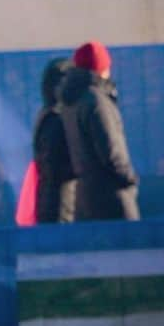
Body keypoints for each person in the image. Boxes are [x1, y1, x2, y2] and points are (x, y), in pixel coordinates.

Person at [59, 41, 140, 222]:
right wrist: (130, 179)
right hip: (112, 199)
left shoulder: (71, 101)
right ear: (101, 69)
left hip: (85, 199)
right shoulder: (97, 101)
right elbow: (111, 152)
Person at [32, 57, 75, 223]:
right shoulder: (55, 120)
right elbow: (53, 166)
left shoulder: (50, 116)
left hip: (54, 202)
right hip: (60, 205)